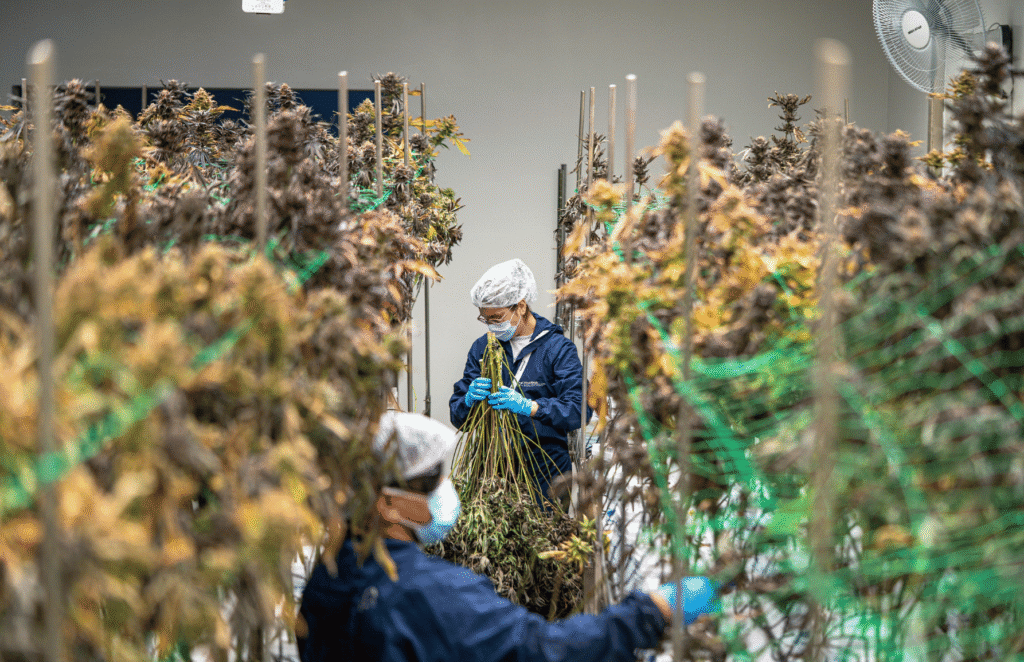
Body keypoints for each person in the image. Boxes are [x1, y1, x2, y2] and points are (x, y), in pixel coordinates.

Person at [296, 411, 718, 662]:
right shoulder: (428, 593)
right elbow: (540, 651)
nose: (445, 489)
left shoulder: (326, 581)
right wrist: (651, 612)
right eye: (431, 482)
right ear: (387, 504)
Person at [450, 258, 589, 503]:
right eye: (485, 319)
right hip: (494, 469)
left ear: (521, 306)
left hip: (545, 471)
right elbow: (459, 418)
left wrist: (531, 407)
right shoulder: (483, 348)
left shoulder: (557, 349)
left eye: (497, 318)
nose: (492, 326)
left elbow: (580, 409)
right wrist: (468, 402)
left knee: (545, 526)